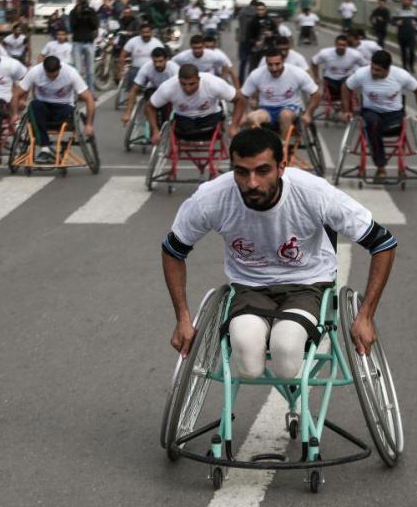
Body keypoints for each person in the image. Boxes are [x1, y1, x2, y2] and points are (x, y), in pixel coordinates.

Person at [161, 127, 397, 379]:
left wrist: (365, 315)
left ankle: (293, 384)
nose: (252, 183)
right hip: (249, 286)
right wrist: (183, 319)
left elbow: (382, 243)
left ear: (281, 167)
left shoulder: (314, 193)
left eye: (262, 171)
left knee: (286, 349)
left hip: (307, 283)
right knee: (247, 359)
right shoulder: (211, 198)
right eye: (242, 172)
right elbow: (173, 250)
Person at [341, 50, 417, 181]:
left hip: (394, 115)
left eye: (378, 70)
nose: (373, 72)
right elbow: (346, 87)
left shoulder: (401, 75)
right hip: (371, 112)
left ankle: (385, 164)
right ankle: (381, 167)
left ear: (387, 69)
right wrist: (346, 110)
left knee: (378, 126)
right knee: (373, 124)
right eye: (372, 68)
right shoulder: (362, 74)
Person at [11, 55, 96, 164]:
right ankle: (45, 149)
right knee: (34, 105)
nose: (52, 78)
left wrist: (89, 124)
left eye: (54, 76)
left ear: (60, 68)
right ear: (44, 69)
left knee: (67, 111)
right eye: (49, 76)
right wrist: (15, 114)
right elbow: (16, 94)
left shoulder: (70, 73)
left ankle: (48, 149)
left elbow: (89, 98)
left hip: (64, 106)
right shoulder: (35, 72)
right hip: (43, 107)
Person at [145, 63, 245, 146]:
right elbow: (149, 106)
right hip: (183, 122)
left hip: (210, 119)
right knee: (179, 124)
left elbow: (239, 99)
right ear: (178, 79)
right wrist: (155, 130)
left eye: (192, 84)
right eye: (183, 84)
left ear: (199, 79)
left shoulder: (213, 83)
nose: (187, 88)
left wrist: (234, 126)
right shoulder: (168, 87)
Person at [240, 47, 320, 146]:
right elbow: (243, 96)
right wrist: (244, 114)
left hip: (290, 107)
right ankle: (261, 145)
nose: (274, 68)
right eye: (270, 65)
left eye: (277, 64)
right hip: (267, 109)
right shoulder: (256, 74)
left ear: (283, 61)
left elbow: (316, 93)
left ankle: (282, 145)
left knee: (285, 115)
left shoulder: (297, 73)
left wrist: (308, 114)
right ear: (266, 63)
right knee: (252, 117)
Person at [121, 46, 179, 127]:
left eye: (160, 61)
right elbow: (134, 89)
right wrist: (127, 113)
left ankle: (167, 125)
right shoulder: (146, 68)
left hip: (169, 93)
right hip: (153, 89)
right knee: (149, 103)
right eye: (155, 61)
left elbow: (180, 89)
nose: (157, 64)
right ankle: (153, 126)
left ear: (166, 59)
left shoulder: (174, 69)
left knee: (168, 110)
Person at [310, 34, 367, 107]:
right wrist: (316, 78)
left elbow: (365, 66)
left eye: (344, 45)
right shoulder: (325, 53)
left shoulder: (355, 55)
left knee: (346, 83)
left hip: (347, 79)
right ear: (335, 44)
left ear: (347, 45)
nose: (341, 47)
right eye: (339, 45)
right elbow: (314, 62)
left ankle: (346, 105)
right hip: (330, 79)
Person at [174, 34, 239, 88]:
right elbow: (171, 64)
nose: (197, 51)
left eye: (199, 48)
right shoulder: (183, 56)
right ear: (191, 47)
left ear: (203, 46)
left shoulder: (213, 55)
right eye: (194, 48)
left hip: (210, 83)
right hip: (191, 83)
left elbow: (226, 65)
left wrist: (222, 80)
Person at [69, 0, 100, 90]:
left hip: (89, 42)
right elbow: (72, 27)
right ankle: (78, 91)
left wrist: (89, 15)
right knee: (77, 70)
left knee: (90, 70)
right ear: (78, 1)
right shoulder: (73, 12)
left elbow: (95, 26)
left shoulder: (91, 11)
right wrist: (78, 14)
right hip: (77, 42)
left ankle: (90, 91)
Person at [119, 22, 164, 87]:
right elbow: (122, 55)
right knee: (131, 80)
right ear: (140, 33)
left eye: (147, 32)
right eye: (143, 32)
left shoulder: (157, 43)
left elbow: (164, 58)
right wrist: (122, 70)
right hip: (136, 69)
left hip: (152, 69)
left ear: (151, 32)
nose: (145, 34)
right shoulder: (133, 41)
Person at [245, 2, 279, 72]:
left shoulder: (270, 21)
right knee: (254, 69)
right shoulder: (252, 22)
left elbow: (277, 34)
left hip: (268, 50)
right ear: (256, 10)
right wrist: (255, 42)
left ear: (265, 10)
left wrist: (271, 34)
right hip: (255, 50)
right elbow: (248, 36)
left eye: (262, 9)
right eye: (259, 10)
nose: (261, 11)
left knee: (267, 68)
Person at [391, 0, 417, 73]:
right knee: (403, 51)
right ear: (402, 1)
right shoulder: (398, 11)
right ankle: (404, 66)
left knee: (412, 51)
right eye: (404, 0)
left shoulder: (415, 11)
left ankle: (411, 66)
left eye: (408, 0)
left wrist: (416, 23)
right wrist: (396, 23)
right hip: (401, 34)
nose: (406, 1)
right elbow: (392, 21)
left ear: (411, 1)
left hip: (411, 34)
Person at [236, 0, 259, 79]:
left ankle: (241, 79)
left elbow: (239, 26)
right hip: (252, 41)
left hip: (243, 39)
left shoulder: (242, 12)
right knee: (253, 62)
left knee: (243, 61)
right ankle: (251, 79)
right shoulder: (257, 14)